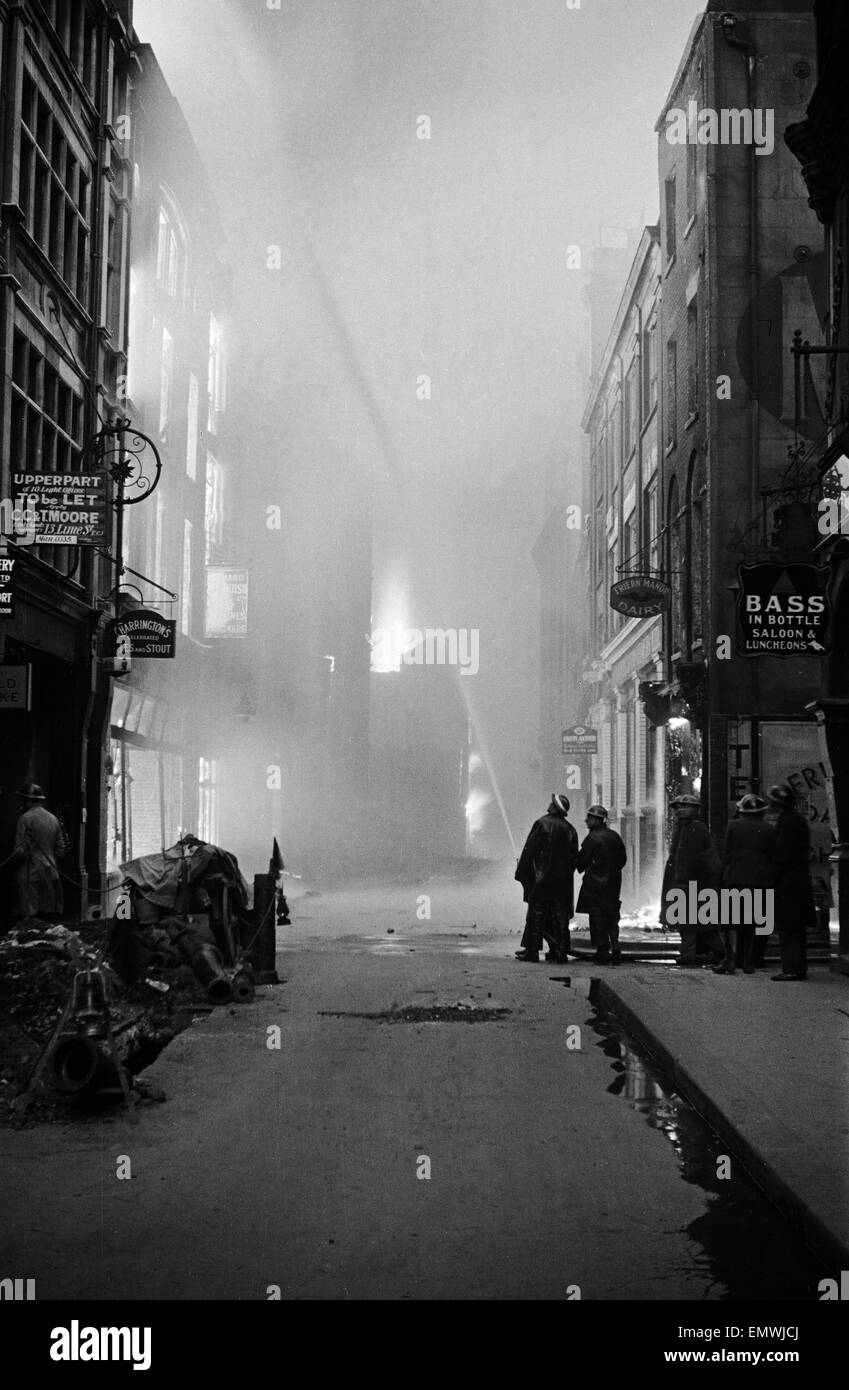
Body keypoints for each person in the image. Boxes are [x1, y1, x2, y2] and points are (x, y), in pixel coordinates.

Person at [514, 793, 578, 963]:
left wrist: (522, 872)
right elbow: (574, 858)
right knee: (560, 916)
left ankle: (532, 951)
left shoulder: (542, 823)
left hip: (541, 879)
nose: (549, 805)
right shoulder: (570, 829)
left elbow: (530, 849)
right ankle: (561, 951)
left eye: (552, 804)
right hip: (562, 882)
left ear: (554, 807)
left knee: (536, 914)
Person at [661, 793, 723, 967]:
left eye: (683, 807)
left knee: (695, 924)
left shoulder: (695, 829)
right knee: (695, 924)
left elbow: (693, 861)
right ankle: (710, 955)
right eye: (678, 808)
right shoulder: (686, 828)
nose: (679, 811)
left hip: (693, 887)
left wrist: (682, 883)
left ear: (694, 810)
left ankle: (713, 955)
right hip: (689, 886)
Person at [715, 793, 774, 975]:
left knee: (732, 921)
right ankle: (750, 961)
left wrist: (721, 876)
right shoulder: (769, 828)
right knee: (754, 922)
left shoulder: (734, 825)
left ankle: (731, 959)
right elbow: (772, 856)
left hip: (736, 879)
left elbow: (727, 853)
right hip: (760, 880)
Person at [767, 783, 814, 982]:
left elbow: (782, 854)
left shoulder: (786, 822)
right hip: (798, 879)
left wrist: (772, 877)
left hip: (788, 882)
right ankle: (797, 967)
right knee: (795, 928)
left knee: (788, 927)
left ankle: (792, 969)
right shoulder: (797, 820)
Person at [575, 805, 627, 964]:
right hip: (613, 885)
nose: (586, 820)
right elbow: (622, 860)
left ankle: (602, 950)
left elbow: (580, 864)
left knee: (597, 917)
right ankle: (615, 944)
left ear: (598, 820)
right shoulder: (615, 837)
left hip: (595, 886)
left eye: (590, 817)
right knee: (612, 916)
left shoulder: (592, 838)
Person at [13, 783, 68, 923]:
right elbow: (61, 849)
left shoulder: (25, 819)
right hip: (51, 870)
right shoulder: (53, 819)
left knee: (30, 913)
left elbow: (19, 851)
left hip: (30, 870)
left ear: (28, 800)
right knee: (48, 913)